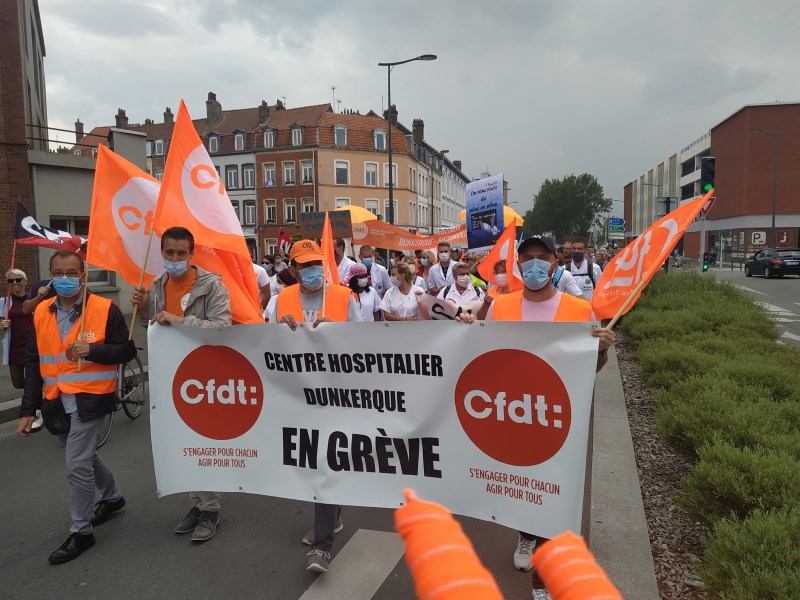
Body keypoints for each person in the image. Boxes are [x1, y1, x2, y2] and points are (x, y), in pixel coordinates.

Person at [458, 235, 615, 600]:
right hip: (512, 417)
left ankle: (542, 581)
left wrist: (601, 351)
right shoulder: (501, 307)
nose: (534, 264)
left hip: (558, 420)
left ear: (554, 263)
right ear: (518, 264)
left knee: (553, 497)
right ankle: (526, 535)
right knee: (524, 488)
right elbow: (484, 359)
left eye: (541, 257)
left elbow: (588, 370)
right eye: (526, 257)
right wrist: (465, 333)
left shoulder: (579, 310)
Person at [18, 250, 136, 564]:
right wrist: (27, 410)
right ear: (50, 274)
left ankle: (82, 531)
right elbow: (33, 362)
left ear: (83, 276)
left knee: (76, 466)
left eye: (72, 273)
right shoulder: (41, 311)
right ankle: (113, 497)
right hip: (56, 401)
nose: (65, 279)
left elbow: (126, 350)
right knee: (86, 457)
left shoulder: (105, 309)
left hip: (91, 399)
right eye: (58, 273)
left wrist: (93, 350)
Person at [130, 226, 231, 543]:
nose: (175, 258)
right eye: (169, 253)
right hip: (171, 372)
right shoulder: (156, 285)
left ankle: (211, 508)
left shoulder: (212, 286)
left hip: (204, 375)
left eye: (181, 253)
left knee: (201, 440)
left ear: (191, 254)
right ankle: (198, 503)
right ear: (161, 253)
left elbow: (222, 328)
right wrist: (144, 308)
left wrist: (181, 320)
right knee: (181, 442)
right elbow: (151, 325)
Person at [270, 239, 361, 573]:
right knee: (314, 464)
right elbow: (265, 346)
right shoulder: (280, 301)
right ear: (293, 270)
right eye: (305, 265)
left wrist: (337, 334)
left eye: (316, 263)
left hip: (337, 395)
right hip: (298, 395)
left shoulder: (344, 297)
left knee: (326, 462)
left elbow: (367, 346)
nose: (312, 270)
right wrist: (281, 332)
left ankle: (322, 546)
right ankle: (332, 515)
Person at [1, 268, 35, 388]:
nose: (15, 283)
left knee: (33, 380)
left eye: (18, 279)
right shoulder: (4, 302)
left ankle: (31, 397)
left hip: (32, 346)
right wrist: (3, 326)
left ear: (25, 281)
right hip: (15, 348)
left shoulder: (33, 300)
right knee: (17, 383)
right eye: (11, 281)